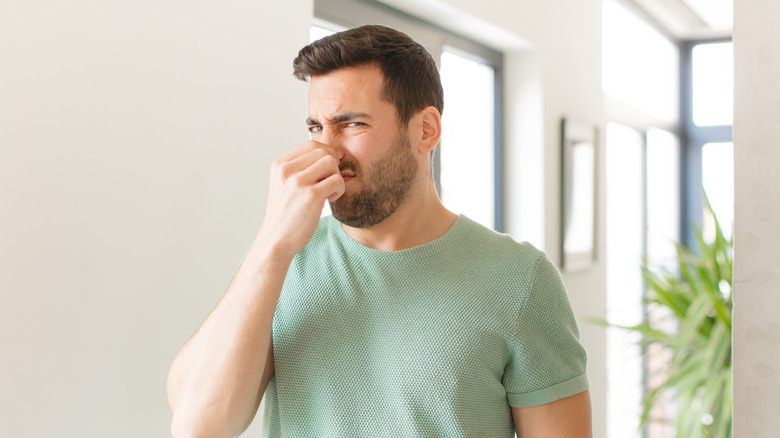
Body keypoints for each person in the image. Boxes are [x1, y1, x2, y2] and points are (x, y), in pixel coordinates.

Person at [167, 24, 591, 437]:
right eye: (316, 127)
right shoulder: (280, 260)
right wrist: (272, 242)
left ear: (426, 130)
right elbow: (197, 427)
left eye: (353, 124)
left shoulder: (520, 278)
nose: (327, 152)